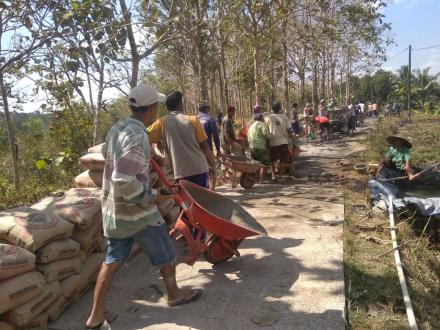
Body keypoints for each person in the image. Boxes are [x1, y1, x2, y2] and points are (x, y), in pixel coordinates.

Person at [86, 85, 202, 329]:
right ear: (151, 109)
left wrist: (144, 160)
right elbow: (123, 179)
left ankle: (96, 316)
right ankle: (174, 295)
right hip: (136, 212)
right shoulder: (139, 137)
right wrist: (153, 194)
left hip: (113, 211)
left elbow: (109, 154)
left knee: (112, 259)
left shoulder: (118, 128)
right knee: (165, 251)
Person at [147, 91, 216, 189]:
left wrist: (158, 141)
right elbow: (205, 147)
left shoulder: (161, 123)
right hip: (200, 168)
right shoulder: (193, 120)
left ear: (167, 107)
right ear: (180, 104)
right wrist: (212, 165)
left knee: (186, 202)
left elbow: (144, 135)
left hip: (180, 172)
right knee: (202, 200)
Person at [265, 100, 295, 182]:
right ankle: (281, 176)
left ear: (272, 109)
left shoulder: (268, 117)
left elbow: (266, 130)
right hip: (283, 142)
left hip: (273, 141)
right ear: (280, 108)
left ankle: (273, 175)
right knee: (282, 160)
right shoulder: (284, 117)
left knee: (272, 160)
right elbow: (289, 130)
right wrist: (293, 140)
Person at [197, 100, 221, 190]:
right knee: (212, 169)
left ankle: (202, 190)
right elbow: (215, 136)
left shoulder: (194, 119)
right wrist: (218, 150)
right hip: (207, 149)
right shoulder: (210, 119)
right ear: (207, 108)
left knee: (200, 171)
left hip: (196, 151)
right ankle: (212, 190)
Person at [247, 111, 270, 182]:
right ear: (261, 118)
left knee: (255, 164)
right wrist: (267, 143)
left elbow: (248, 138)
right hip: (261, 147)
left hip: (252, 147)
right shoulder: (262, 125)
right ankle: (261, 179)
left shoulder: (250, 127)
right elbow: (267, 135)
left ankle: (257, 179)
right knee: (264, 163)